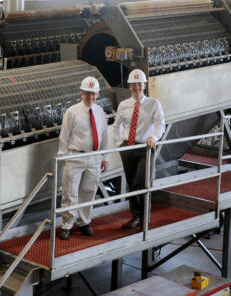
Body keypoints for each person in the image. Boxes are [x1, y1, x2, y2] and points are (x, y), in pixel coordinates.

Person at [58, 76, 110, 240]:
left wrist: (105, 157)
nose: (91, 97)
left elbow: (104, 135)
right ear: (81, 93)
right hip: (76, 157)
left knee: (89, 191)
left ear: (97, 95)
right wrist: (62, 157)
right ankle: (66, 225)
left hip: (94, 157)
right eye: (87, 94)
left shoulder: (99, 111)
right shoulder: (72, 112)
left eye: (94, 94)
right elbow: (64, 137)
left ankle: (84, 222)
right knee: (70, 192)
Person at [113, 69, 165, 229]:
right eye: (133, 84)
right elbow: (117, 126)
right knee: (131, 183)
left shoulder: (153, 104)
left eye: (139, 84)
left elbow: (160, 124)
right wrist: (118, 143)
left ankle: (144, 221)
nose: (136, 87)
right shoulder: (124, 105)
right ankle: (135, 217)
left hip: (144, 148)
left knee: (143, 184)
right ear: (129, 87)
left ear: (144, 85)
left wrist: (153, 138)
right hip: (128, 147)